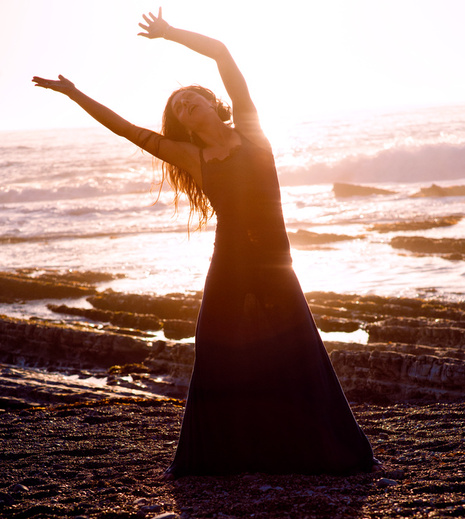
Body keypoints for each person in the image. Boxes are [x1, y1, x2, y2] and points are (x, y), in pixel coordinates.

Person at [33, 8, 376, 479]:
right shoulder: (193, 157)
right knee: (215, 352)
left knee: (298, 351)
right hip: (229, 261)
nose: (186, 105)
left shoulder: (253, 131)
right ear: (185, 126)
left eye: (192, 98)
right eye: (178, 108)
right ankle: (214, 460)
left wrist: (171, 34)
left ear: (213, 103)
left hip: (275, 262)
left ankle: (326, 451)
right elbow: (126, 129)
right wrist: (74, 94)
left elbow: (223, 54)